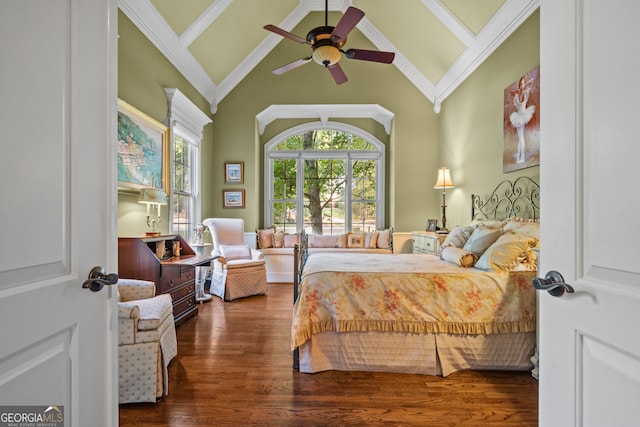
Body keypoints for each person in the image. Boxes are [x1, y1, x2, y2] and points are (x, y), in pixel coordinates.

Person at [509, 75, 536, 163]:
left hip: (523, 115)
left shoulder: (525, 92)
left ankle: (522, 157)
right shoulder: (518, 94)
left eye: (523, 84)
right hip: (517, 116)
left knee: (521, 138)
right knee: (520, 137)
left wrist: (524, 86)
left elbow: (531, 80)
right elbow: (510, 93)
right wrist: (518, 90)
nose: (521, 85)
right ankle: (519, 157)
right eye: (520, 84)